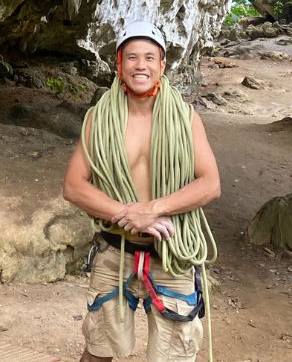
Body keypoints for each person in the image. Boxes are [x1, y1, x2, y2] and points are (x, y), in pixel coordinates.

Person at [63, 21, 221, 362]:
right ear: (119, 65)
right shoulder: (99, 119)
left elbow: (210, 184)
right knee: (98, 350)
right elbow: (74, 186)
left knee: (174, 355)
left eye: (150, 57)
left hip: (172, 254)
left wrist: (153, 209)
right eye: (132, 57)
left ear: (162, 65)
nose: (141, 65)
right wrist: (126, 212)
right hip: (115, 250)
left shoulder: (185, 118)